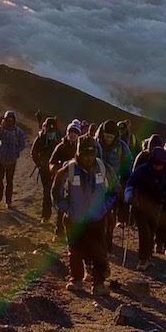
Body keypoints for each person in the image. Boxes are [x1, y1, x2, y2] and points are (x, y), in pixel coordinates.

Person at [53, 136, 117, 297]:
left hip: (96, 219)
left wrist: (104, 206)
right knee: (75, 251)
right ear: (78, 153)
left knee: (99, 252)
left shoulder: (103, 168)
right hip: (75, 219)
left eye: (92, 153)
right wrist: (66, 207)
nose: (89, 157)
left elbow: (115, 189)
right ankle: (76, 279)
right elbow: (56, 191)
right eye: (85, 154)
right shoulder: (69, 169)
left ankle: (98, 283)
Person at [125, 144, 166, 270]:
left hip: (156, 206)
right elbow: (130, 183)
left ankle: (148, 257)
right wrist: (129, 196)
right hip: (139, 205)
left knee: (151, 232)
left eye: (160, 165)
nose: (158, 167)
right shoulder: (142, 170)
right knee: (144, 232)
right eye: (156, 164)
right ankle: (142, 260)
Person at [95, 119, 132, 247]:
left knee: (110, 214)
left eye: (111, 136)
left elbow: (128, 166)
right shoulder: (95, 144)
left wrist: (125, 183)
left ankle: (108, 241)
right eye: (106, 136)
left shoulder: (122, 147)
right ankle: (98, 240)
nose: (108, 139)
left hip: (113, 187)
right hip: (95, 185)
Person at [47, 120, 84, 238]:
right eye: (70, 132)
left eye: (75, 132)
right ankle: (59, 230)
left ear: (78, 134)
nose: (72, 134)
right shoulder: (60, 147)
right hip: (63, 182)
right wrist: (59, 170)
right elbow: (51, 162)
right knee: (62, 206)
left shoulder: (81, 148)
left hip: (77, 182)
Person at [0, 110, 29, 208]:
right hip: (0, 159)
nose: (9, 121)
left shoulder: (18, 131)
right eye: (8, 119)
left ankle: (8, 202)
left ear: (14, 120)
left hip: (11, 160)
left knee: (10, 181)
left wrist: (16, 152)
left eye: (11, 119)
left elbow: (22, 144)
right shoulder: (0, 130)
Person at [31, 116, 64, 221]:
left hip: (55, 169)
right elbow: (33, 152)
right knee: (47, 191)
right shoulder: (41, 138)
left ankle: (56, 214)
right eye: (50, 131)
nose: (51, 133)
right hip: (44, 170)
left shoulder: (58, 138)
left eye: (53, 131)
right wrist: (40, 165)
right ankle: (46, 214)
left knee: (56, 191)